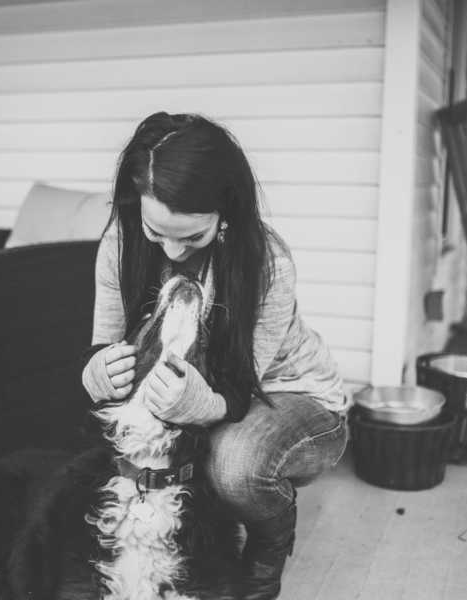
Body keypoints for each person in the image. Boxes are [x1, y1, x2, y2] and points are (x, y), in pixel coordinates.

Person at [81, 112, 349, 599]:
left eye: (193, 237)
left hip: (289, 395)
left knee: (231, 466)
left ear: (226, 214)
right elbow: (106, 346)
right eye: (155, 230)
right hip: (206, 388)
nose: (172, 251)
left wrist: (203, 407)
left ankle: (268, 547)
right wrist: (97, 372)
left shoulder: (268, 262)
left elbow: (238, 388)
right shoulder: (118, 243)